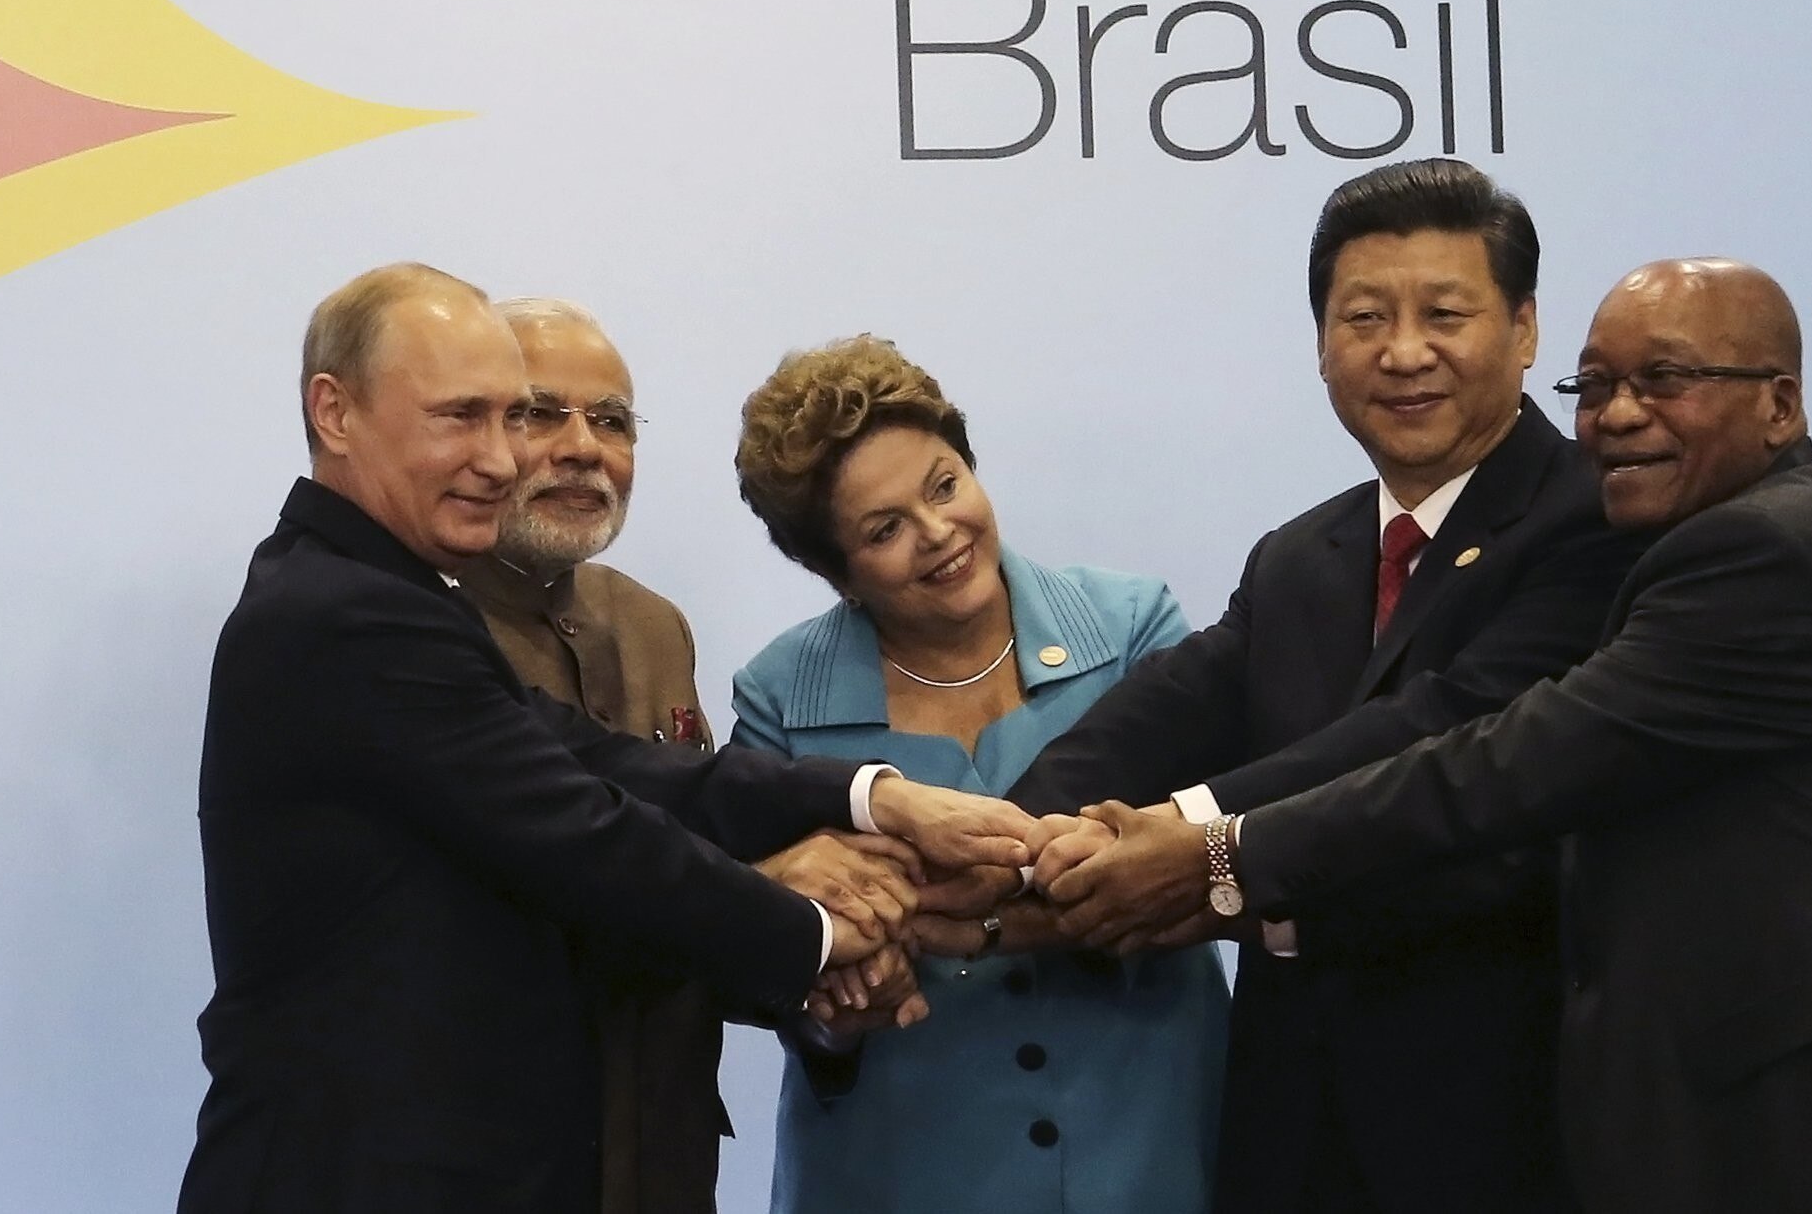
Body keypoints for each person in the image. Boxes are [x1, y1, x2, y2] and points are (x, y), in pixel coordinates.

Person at [1055, 259, 1812, 1214]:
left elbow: (1498, 763)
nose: (1616, 416)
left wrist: (1216, 854)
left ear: (1780, 403)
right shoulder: (1690, 555)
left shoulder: (1774, 556)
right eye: (1595, 386)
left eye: (1664, 379)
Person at [179, 264, 1045, 1214]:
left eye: (605, 419)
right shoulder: (347, 612)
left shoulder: (445, 601)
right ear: (335, 411)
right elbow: (587, 837)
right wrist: (822, 922)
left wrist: (875, 798)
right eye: (475, 416)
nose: (502, 457)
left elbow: (615, 767)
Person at [1004, 158, 1641, 1214]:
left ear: (1524, 328)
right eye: (1363, 317)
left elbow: (1436, 736)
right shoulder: (1301, 555)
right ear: (1319, 344)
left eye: (1444, 314)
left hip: (1510, 1127)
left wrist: (1188, 844)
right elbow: (1157, 715)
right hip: (1292, 1130)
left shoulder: (1597, 522)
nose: (1403, 352)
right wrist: (1003, 840)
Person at [726, 335, 1230, 1214]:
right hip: (898, 1169)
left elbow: (1203, 863)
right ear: (835, 571)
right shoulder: (778, 697)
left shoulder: (1133, 627)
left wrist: (952, 916)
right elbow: (759, 946)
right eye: (885, 529)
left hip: (1149, 1147)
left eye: (944, 484)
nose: (939, 533)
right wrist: (829, 1010)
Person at [454, 298, 759, 1214]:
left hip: (660, 1157)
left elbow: (703, 851)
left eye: (613, 421)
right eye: (540, 413)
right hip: (485, 1160)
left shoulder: (653, 623)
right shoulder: (414, 625)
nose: (584, 447)